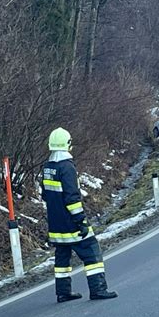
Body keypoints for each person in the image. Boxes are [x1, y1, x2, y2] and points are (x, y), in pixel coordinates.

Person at [41, 127, 118, 303]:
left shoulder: (48, 167)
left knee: (62, 256)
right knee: (91, 250)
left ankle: (63, 292)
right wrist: (80, 221)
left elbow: (45, 195)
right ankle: (98, 289)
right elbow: (72, 198)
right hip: (71, 223)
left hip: (55, 224)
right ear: (67, 144)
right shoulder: (67, 167)